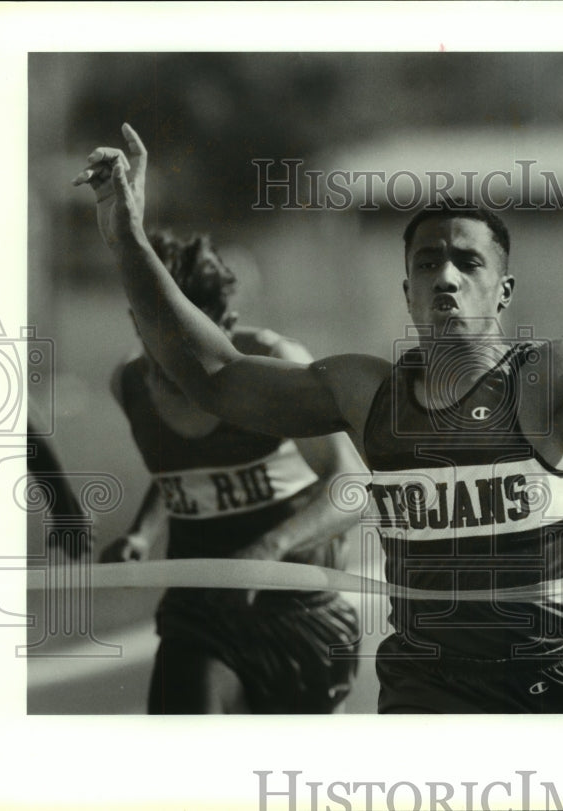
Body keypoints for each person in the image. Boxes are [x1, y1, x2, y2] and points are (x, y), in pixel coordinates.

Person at [75, 58, 563, 713]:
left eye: (467, 262)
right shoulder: (364, 394)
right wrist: (127, 237)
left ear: (503, 291)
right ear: (406, 292)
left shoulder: (557, 378)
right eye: (428, 262)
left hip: (550, 688)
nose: (444, 274)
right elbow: (216, 376)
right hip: (424, 688)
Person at [97, 227, 366, 714]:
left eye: (190, 345)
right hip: (200, 612)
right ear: (135, 320)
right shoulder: (129, 384)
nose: (170, 362)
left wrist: (269, 549)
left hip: (297, 607)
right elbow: (185, 476)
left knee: (293, 785)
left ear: (227, 323)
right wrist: (141, 533)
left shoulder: (276, 361)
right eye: (154, 337)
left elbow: (352, 487)